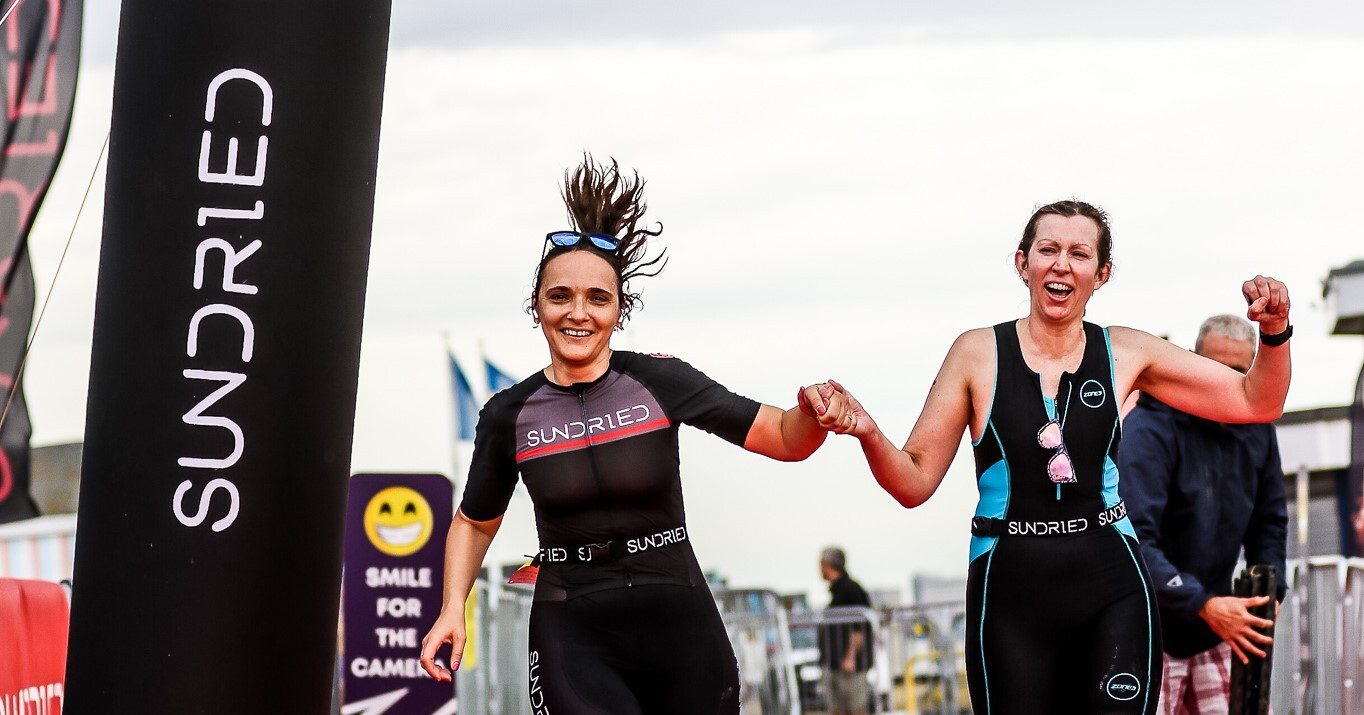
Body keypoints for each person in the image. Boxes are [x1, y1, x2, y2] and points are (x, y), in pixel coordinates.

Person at [811, 200, 1292, 714]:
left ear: (1101, 274)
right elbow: (913, 482)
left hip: (1113, 586)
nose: (1063, 264)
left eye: (1080, 254)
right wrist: (866, 431)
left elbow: (1255, 400)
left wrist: (1275, 333)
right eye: (1049, 249)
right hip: (1010, 592)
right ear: (1023, 263)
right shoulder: (976, 354)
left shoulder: (1127, 352)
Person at [417, 156, 853, 714]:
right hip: (574, 629)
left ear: (620, 310)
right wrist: (453, 606)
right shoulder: (509, 412)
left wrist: (813, 410)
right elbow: (475, 523)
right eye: (560, 297)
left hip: (679, 620)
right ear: (536, 307)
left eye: (598, 299)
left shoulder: (659, 381)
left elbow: (784, 437)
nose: (579, 313)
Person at [1120, 314, 1287, 714]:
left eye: (1236, 371)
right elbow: (1134, 538)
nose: (1223, 379)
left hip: (1217, 628)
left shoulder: (1258, 426)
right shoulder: (1149, 427)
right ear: (1192, 360)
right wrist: (1204, 604)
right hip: (1148, 633)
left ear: (1250, 370)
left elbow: (1270, 521)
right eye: (1213, 367)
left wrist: (1270, 590)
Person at [818, 547, 873, 715]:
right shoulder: (837, 592)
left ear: (828, 565)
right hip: (835, 663)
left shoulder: (852, 590)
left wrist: (850, 657)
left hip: (850, 665)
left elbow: (859, 629)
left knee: (856, 708)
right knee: (838, 709)